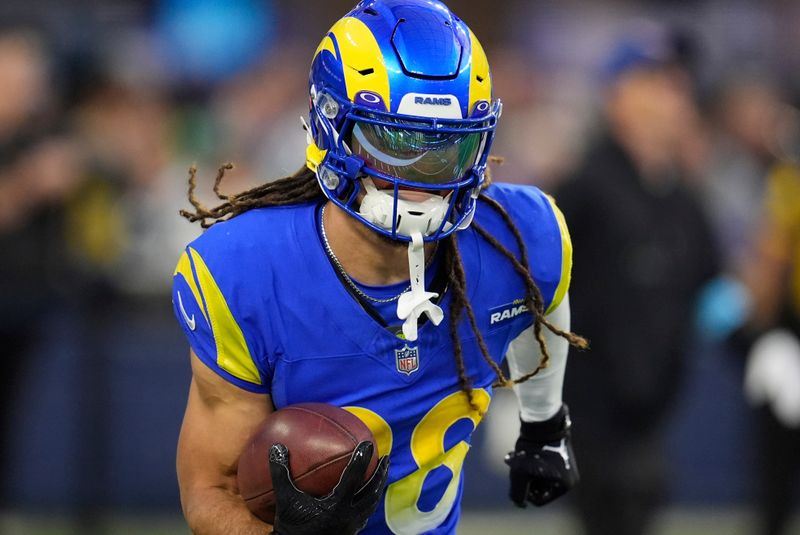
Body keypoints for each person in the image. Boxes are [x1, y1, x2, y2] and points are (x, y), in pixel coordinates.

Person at [172, 1, 586, 533]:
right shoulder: (246, 271)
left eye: (446, 148)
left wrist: (544, 421)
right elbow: (210, 489)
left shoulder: (522, 237)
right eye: (393, 143)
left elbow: (542, 300)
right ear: (331, 129)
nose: (421, 180)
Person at [555, 26, 718, 535]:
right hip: (589, 422)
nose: (674, 97)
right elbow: (533, 285)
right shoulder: (584, 188)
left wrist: (758, 343)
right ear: (617, 95)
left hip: (651, 421)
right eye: (655, 81)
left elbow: (713, 291)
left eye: (678, 83)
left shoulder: (683, 200)